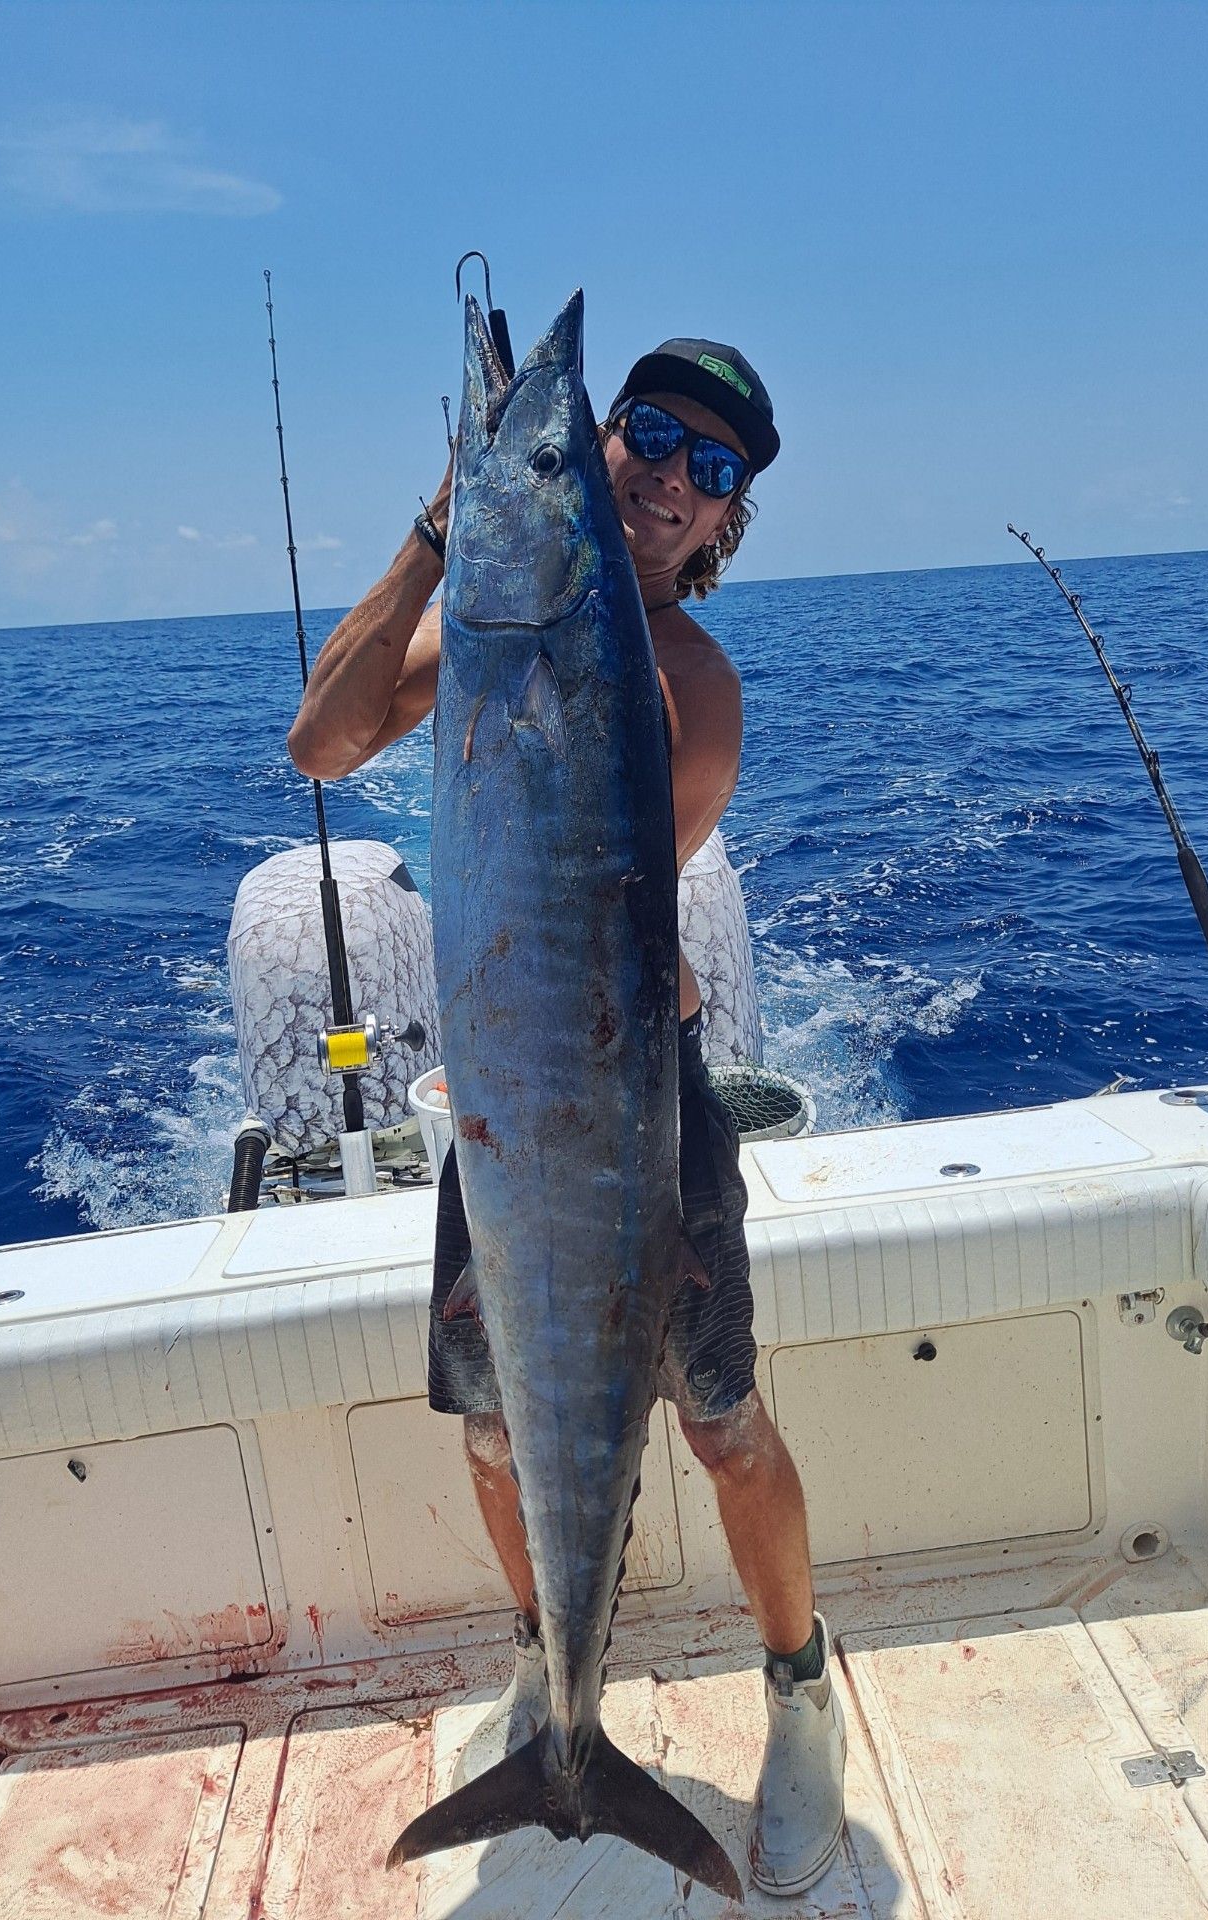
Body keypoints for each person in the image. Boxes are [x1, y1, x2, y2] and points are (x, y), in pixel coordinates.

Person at [288, 337, 845, 1896]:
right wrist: (436, 533)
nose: (672, 476)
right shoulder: (485, 625)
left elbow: (615, 910)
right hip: (505, 1124)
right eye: (649, 436)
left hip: (625, 1102)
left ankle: (804, 1702)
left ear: (727, 524)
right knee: (491, 1426)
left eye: (712, 470)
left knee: (724, 1423)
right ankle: (557, 1688)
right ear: (602, 452)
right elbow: (321, 743)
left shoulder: (692, 684)